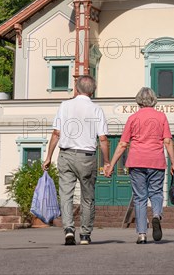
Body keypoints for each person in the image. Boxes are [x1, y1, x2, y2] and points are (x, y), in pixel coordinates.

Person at [104, 87, 174, 244]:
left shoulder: (133, 118)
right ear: (154, 100)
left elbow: (123, 144)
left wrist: (111, 164)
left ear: (138, 100)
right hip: (156, 161)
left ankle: (142, 234)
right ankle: (157, 215)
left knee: (140, 198)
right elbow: (167, 141)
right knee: (156, 192)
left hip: (136, 161)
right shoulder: (161, 117)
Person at [42, 75, 110, 246]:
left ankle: (69, 230)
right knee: (88, 197)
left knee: (66, 195)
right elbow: (102, 138)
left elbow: (56, 133)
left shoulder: (64, 106)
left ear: (77, 88)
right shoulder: (97, 109)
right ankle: (85, 234)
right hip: (87, 157)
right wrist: (107, 161)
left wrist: (49, 156)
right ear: (92, 91)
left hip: (65, 154)